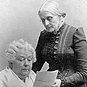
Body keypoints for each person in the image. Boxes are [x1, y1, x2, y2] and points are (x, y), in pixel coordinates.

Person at [32, 0, 87, 87]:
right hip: (50, 83)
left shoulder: (75, 34)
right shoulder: (43, 36)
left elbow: (85, 73)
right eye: (43, 20)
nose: (46, 23)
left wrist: (62, 82)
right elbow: (35, 65)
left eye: (49, 18)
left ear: (61, 16)